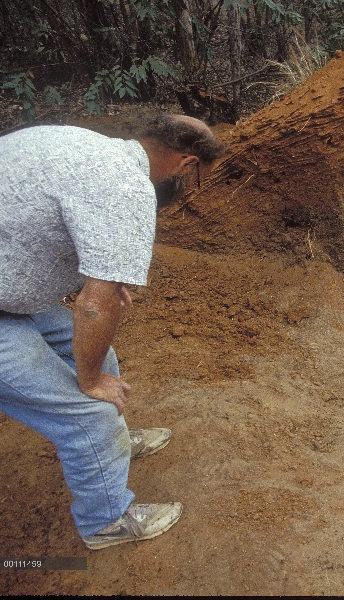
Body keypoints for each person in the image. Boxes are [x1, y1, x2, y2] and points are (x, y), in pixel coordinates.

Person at [0, 115, 225, 549]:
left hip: (9, 293)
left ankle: (115, 443)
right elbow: (94, 306)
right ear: (186, 164)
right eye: (198, 182)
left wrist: (105, 274)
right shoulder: (127, 189)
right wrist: (87, 381)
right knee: (90, 413)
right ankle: (105, 522)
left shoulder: (80, 143)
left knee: (100, 358)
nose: (190, 193)